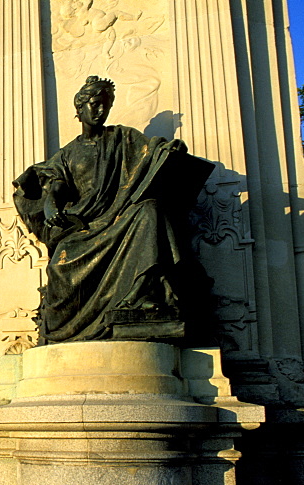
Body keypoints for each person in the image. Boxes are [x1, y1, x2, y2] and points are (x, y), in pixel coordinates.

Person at [13, 76, 212, 343]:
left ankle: (140, 295)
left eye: (104, 105)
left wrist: (170, 149)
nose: (99, 111)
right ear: (79, 108)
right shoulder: (67, 153)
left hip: (120, 217)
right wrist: (51, 210)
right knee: (63, 259)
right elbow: (55, 189)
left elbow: (151, 152)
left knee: (150, 211)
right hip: (85, 226)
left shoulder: (123, 137)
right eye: (94, 105)